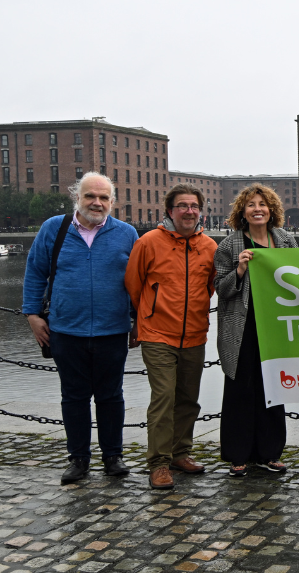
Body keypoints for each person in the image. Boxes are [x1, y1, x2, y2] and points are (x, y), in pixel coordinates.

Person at [23, 173, 139, 484]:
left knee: (111, 396)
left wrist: (138, 319)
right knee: (73, 397)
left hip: (112, 330)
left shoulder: (127, 234)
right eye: (90, 196)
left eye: (103, 198)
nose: (96, 203)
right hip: (66, 330)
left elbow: (139, 282)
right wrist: (32, 314)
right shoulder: (54, 229)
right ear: (77, 198)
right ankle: (78, 459)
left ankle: (113, 456)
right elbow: (35, 272)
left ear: (112, 202)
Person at [125, 183, 217, 490]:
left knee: (188, 399)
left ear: (199, 211)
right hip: (157, 333)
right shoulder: (149, 242)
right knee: (163, 397)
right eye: (182, 206)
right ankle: (159, 463)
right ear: (169, 211)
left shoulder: (209, 247)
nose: (189, 211)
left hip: (194, 333)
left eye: (194, 206)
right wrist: (141, 321)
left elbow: (215, 287)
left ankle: (181, 453)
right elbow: (133, 284)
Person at [215, 184, 298, 477]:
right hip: (242, 327)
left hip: (275, 325)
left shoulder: (286, 241)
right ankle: (238, 454)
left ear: (272, 209)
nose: (257, 209)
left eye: (262, 204)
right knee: (240, 389)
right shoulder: (229, 245)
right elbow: (220, 289)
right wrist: (238, 271)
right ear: (242, 212)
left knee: (273, 388)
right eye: (250, 205)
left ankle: (270, 452)